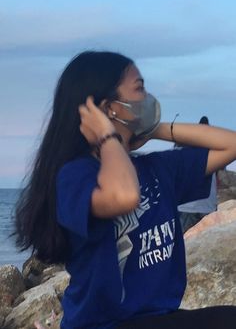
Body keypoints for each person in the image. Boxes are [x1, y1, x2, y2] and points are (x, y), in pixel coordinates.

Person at [14, 51, 236, 329]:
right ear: (110, 108)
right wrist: (108, 137)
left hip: (160, 318)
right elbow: (124, 195)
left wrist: (154, 128)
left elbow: (231, 145)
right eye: (139, 88)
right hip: (102, 324)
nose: (147, 97)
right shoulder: (75, 176)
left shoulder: (156, 168)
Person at [177, 116, 218, 233]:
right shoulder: (213, 149)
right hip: (208, 205)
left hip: (186, 206)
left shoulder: (183, 147)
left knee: (184, 242)